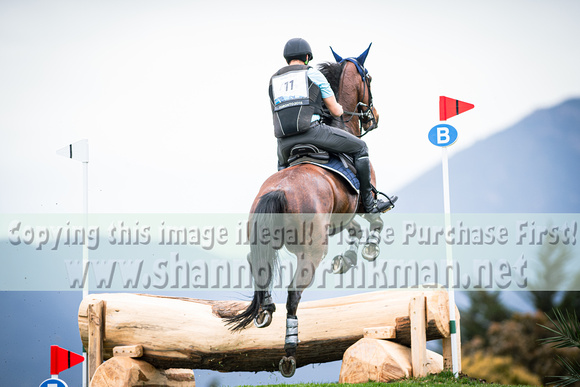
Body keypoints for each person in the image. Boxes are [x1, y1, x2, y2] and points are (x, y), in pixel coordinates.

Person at [269, 37, 392, 214]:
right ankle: (370, 204)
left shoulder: (274, 80)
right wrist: (338, 108)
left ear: (286, 58)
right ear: (307, 57)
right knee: (361, 148)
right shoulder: (312, 74)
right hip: (312, 133)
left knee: (283, 176)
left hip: (283, 145)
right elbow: (336, 111)